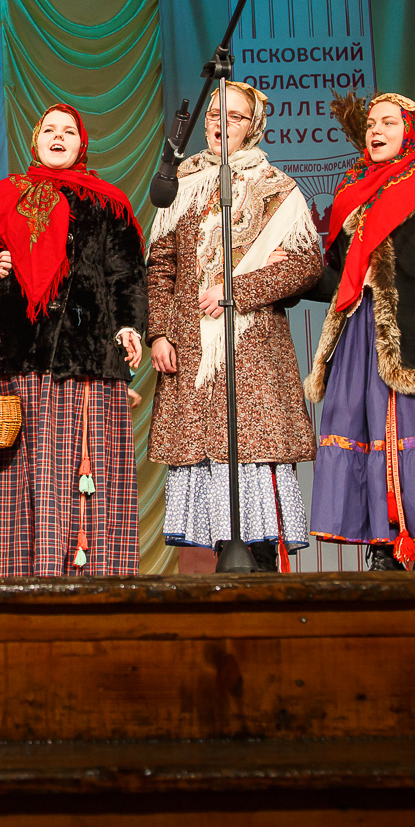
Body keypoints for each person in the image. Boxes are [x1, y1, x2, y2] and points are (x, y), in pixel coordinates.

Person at [0, 102, 146, 577]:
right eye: (49, 130)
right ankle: (14, 585)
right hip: (17, 358)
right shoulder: (2, 198)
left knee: (85, 473)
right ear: (35, 140)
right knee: (17, 481)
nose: (58, 137)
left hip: (86, 359)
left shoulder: (108, 204)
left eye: (68, 131)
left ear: (82, 144)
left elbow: (126, 274)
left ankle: (93, 584)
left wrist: (129, 325)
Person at [146, 82, 321, 571]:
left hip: (252, 350)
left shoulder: (277, 188)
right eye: (215, 114)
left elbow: (306, 263)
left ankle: (261, 572)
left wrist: (236, 289)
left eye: (236, 116)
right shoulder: (180, 182)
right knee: (209, 462)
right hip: (191, 350)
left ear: (254, 126)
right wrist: (159, 332)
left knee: (252, 458)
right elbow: (160, 266)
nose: (222, 123)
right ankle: (227, 570)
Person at [303, 92, 415, 571]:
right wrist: (293, 274)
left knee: (414, 431)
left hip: (411, 330)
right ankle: (381, 548)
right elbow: (339, 277)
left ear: (411, 131)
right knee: (364, 430)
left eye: (388, 123)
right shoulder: (353, 189)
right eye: (371, 124)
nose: (376, 131)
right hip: (360, 331)